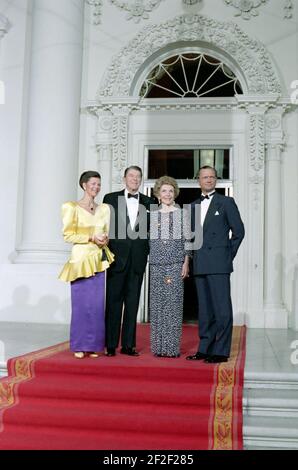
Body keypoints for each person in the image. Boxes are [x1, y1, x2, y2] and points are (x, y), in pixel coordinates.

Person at [186, 166, 245, 364]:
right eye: (205, 177)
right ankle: (205, 348)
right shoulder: (192, 205)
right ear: (199, 181)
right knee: (204, 310)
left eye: (212, 177)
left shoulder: (226, 202)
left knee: (222, 309)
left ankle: (220, 350)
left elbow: (239, 232)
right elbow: (191, 238)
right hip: (200, 263)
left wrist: (227, 255)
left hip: (219, 264)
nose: (209, 180)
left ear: (216, 180)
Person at [59, 171, 114, 359]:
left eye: (99, 184)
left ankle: (92, 345)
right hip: (80, 260)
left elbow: (105, 233)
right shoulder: (71, 207)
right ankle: (79, 345)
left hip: (98, 260)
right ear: (84, 185)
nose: (96, 187)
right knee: (81, 304)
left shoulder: (104, 209)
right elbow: (68, 235)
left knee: (97, 305)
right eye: (93, 184)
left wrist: (104, 240)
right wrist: (91, 237)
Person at [103, 166, 155, 357]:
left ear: (141, 180)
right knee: (113, 302)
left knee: (133, 303)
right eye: (131, 176)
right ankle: (110, 344)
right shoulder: (110, 198)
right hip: (117, 258)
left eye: (138, 176)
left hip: (138, 259)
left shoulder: (150, 201)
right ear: (124, 178)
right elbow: (105, 226)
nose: (134, 179)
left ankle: (128, 345)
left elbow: (153, 231)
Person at [149, 176, 191, 358]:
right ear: (158, 193)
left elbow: (188, 240)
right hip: (156, 264)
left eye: (170, 191)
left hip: (175, 264)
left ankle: (172, 348)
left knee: (173, 306)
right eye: (164, 191)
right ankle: (159, 348)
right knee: (158, 306)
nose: (167, 194)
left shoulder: (183, 213)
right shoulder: (151, 214)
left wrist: (186, 262)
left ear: (175, 193)